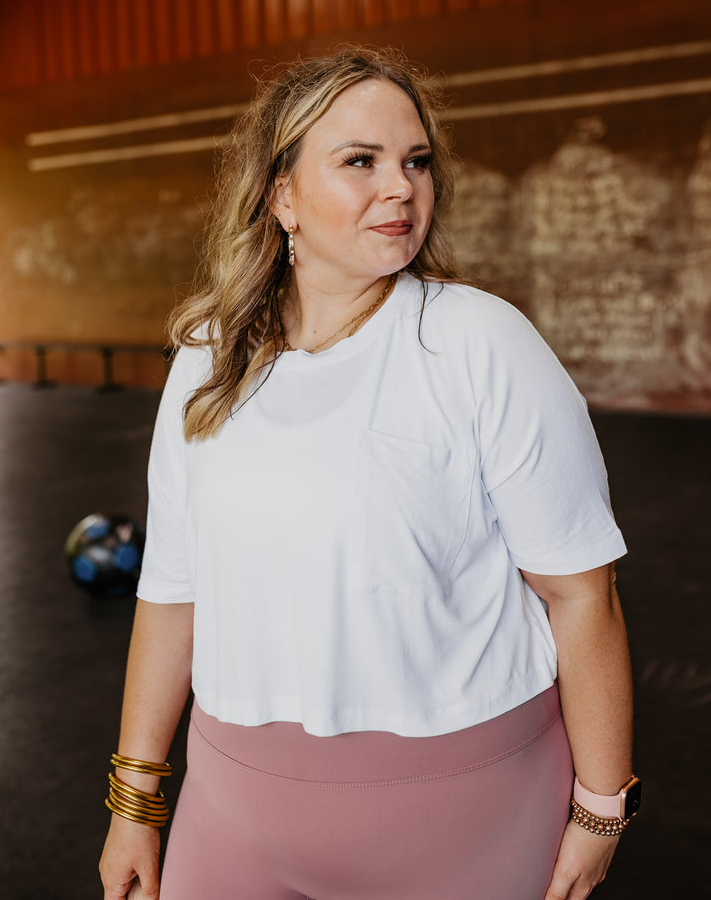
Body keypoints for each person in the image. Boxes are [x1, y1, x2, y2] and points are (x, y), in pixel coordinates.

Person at [99, 47, 639, 900]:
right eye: (361, 161)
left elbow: (583, 594)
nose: (401, 188)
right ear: (281, 196)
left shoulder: (480, 343)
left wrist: (601, 809)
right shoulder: (207, 357)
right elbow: (171, 593)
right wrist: (134, 801)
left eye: (416, 161)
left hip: (469, 815)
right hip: (234, 812)